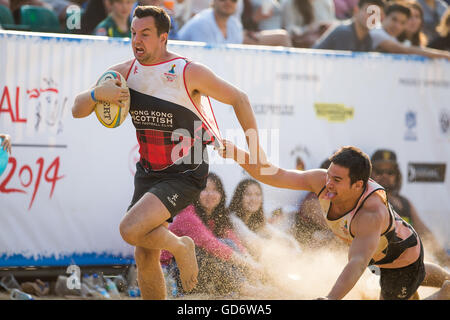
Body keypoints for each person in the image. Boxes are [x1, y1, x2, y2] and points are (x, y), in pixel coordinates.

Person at [71, 5, 261, 300]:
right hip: (149, 172)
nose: (137, 40)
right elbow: (77, 109)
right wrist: (97, 94)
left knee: (129, 229)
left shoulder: (189, 71)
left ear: (164, 37)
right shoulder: (124, 73)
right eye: (133, 33)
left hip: (186, 171)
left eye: (145, 34)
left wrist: (256, 152)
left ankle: (181, 246)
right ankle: (177, 248)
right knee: (144, 253)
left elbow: (240, 98)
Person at [219, 142, 450, 300]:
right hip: (383, 255)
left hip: (400, 260)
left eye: (337, 179)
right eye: (329, 174)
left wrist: (331, 298)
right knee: (416, 274)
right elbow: (276, 174)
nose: (328, 183)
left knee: (411, 272)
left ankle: (445, 293)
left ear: (358, 185)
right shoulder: (322, 180)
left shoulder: (370, 214)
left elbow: (357, 262)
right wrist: (238, 154)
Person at [160, 173, 256, 296]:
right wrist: (250, 265)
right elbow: (212, 245)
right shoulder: (187, 215)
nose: (210, 194)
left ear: (221, 194)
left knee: (228, 243)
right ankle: (244, 287)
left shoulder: (217, 217)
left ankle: (246, 285)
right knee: (202, 252)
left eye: (215, 190)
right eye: (205, 190)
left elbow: (233, 242)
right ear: (196, 193)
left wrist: (251, 262)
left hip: (195, 276)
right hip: (171, 274)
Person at [370, 149, 450, 266]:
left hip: (406, 262)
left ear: (396, 175)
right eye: (379, 171)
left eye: (390, 172)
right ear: (370, 173)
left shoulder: (405, 202)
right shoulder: (368, 200)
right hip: (380, 265)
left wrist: (444, 258)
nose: (385, 175)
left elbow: (424, 232)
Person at [177, 0, 292, 46]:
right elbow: (206, 63)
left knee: (283, 37)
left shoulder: (233, 23)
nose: (228, 2)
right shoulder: (202, 23)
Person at [370, 1, 450, 59]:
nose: (397, 26)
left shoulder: (392, 38)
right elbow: (404, 50)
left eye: (402, 23)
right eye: (394, 19)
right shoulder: (377, 33)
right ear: (384, 17)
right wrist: (445, 55)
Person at [314, 0, 386, 51]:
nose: (373, 18)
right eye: (370, 12)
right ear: (356, 10)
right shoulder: (344, 32)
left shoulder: (368, 38)